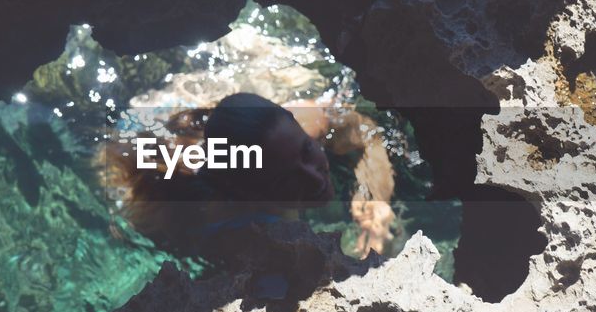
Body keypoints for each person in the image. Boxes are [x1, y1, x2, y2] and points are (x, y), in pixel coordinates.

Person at [104, 92, 396, 261]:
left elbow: (364, 131)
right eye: (285, 180)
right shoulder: (237, 231)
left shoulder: (299, 125)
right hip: (141, 157)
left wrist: (377, 204)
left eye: (308, 151)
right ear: (251, 195)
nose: (315, 179)